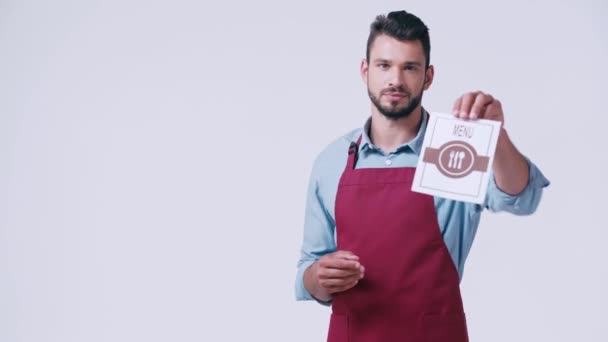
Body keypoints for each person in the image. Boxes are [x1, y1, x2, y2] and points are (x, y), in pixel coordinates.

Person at [294, 10, 550, 342]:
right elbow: (308, 273)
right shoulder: (332, 161)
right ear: (365, 70)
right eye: (384, 65)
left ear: (427, 77)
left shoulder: (453, 148)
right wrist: (318, 276)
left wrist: (496, 136)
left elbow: (521, 198)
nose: (395, 80)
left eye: (409, 67)